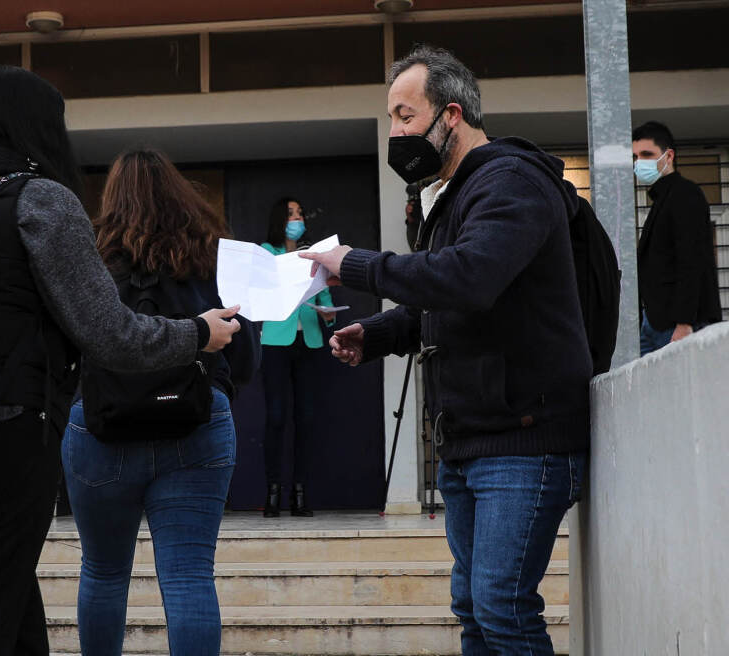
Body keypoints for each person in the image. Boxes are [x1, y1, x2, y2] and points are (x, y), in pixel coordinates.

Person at [0, 66, 241, 656]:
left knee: (5, 596)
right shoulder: (37, 196)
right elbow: (108, 332)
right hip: (4, 434)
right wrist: (196, 335)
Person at [302, 46, 589, 655]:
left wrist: (351, 265)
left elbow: (468, 277)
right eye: (391, 119)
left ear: (450, 115)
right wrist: (376, 334)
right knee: (474, 611)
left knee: (503, 608)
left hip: (524, 439)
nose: (396, 133)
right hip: (468, 440)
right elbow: (446, 297)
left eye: (405, 116)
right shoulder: (453, 195)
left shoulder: (510, 180)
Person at [64, 148, 260, 656]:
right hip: (197, 425)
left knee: (103, 572)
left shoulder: (89, 256)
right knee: (190, 574)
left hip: (100, 428)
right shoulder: (214, 255)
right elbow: (246, 358)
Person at [258, 197, 336, 517]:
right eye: (292, 214)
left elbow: (324, 291)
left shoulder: (313, 253)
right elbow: (261, 291)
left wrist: (329, 313)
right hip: (276, 341)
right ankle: (273, 491)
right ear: (280, 219)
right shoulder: (267, 251)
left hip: (309, 341)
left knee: (306, 418)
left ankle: (300, 493)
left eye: (301, 213)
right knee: (276, 417)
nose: (298, 218)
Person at [632, 120, 722, 355]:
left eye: (647, 154)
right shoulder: (664, 199)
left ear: (668, 155)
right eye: (636, 157)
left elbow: (691, 260)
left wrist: (684, 323)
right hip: (655, 322)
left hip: (676, 325)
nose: (640, 162)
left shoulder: (684, 194)